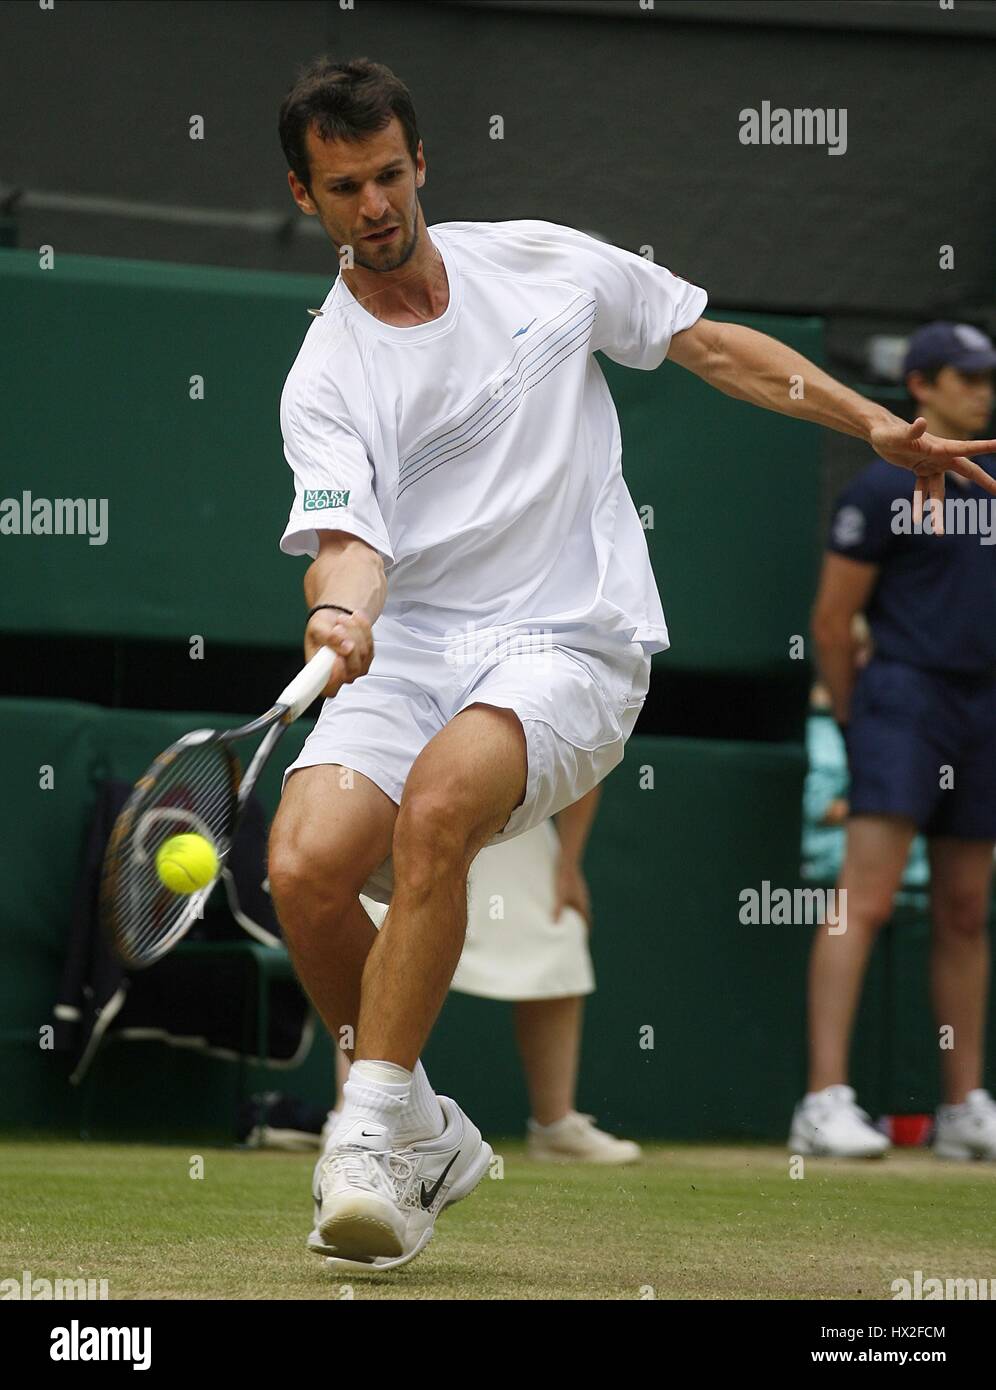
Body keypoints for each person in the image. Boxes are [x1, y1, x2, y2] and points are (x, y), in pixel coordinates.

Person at [266, 56, 996, 1273]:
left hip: (568, 640)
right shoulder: (325, 373)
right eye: (346, 187)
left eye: (390, 174)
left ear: (422, 164)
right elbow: (349, 547)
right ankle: (432, 1129)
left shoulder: (546, 263)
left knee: (438, 808)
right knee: (302, 866)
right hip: (411, 645)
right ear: (308, 196)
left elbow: (710, 347)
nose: (376, 204)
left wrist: (867, 419)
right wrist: (342, 613)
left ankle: (368, 1127)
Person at [794, 322, 996, 1160]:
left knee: (964, 909)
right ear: (921, 386)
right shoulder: (881, 491)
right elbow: (833, 622)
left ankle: (961, 1110)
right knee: (865, 899)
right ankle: (824, 1101)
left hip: (984, 712)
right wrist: (856, 723)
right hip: (902, 703)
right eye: (967, 377)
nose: (984, 390)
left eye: (989, 378)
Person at [323, 788, 642, 1165]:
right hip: (411, 806)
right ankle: (353, 1112)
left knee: (559, 936)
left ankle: (556, 1126)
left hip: (515, 817)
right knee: (378, 940)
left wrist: (568, 865)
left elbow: (585, 763)